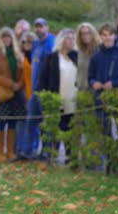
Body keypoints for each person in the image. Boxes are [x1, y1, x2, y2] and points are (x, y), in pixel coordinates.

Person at [88, 24, 118, 133]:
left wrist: (114, 83)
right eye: (104, 35)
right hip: (101, 100)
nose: (108, 37)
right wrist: (94, 83)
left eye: (110, 34)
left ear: (115, 36)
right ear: (100, 36)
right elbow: (90, 77)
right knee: (104, 134)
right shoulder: (96, 56)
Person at [39, 29, 78, 163]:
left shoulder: (77, 57)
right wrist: (45, 98)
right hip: (56, 99)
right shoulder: (52, 58)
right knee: (54, 129)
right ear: (61, 40)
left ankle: (70, 156)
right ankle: (51, 155)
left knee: (70, 129)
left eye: (73, 38)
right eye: (68, 38)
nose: (71, 41)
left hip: (73, 100)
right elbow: (42, 79)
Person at [20, 18, 56, 159]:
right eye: (36, 27)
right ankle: (27, 151)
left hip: (46, 90)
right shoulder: (36, 45)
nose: (38, 29)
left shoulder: (51, 43)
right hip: (35, 91)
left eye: (41, 26)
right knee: (31, 122)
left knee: (45, 124)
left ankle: (46, 152)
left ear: (47, 27)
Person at [0, 27, 26, 162]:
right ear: (0, 39)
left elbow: (23, 72)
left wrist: (19, 84)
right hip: (2, 93)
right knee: (0, 122)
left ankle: (10, 151)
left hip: (16, 93)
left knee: (12, 122)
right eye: (4, 37)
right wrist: (11, 84)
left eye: (9, 37)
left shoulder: (17, 53)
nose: (6, 39)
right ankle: (0, 152)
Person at [75, 23, 101, 91]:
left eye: (88, 33)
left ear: (93, 34)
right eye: (82, 34)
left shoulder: (99, 50)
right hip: (81, 89)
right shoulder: (80, 51)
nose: (85, 36)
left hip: (95, 90)